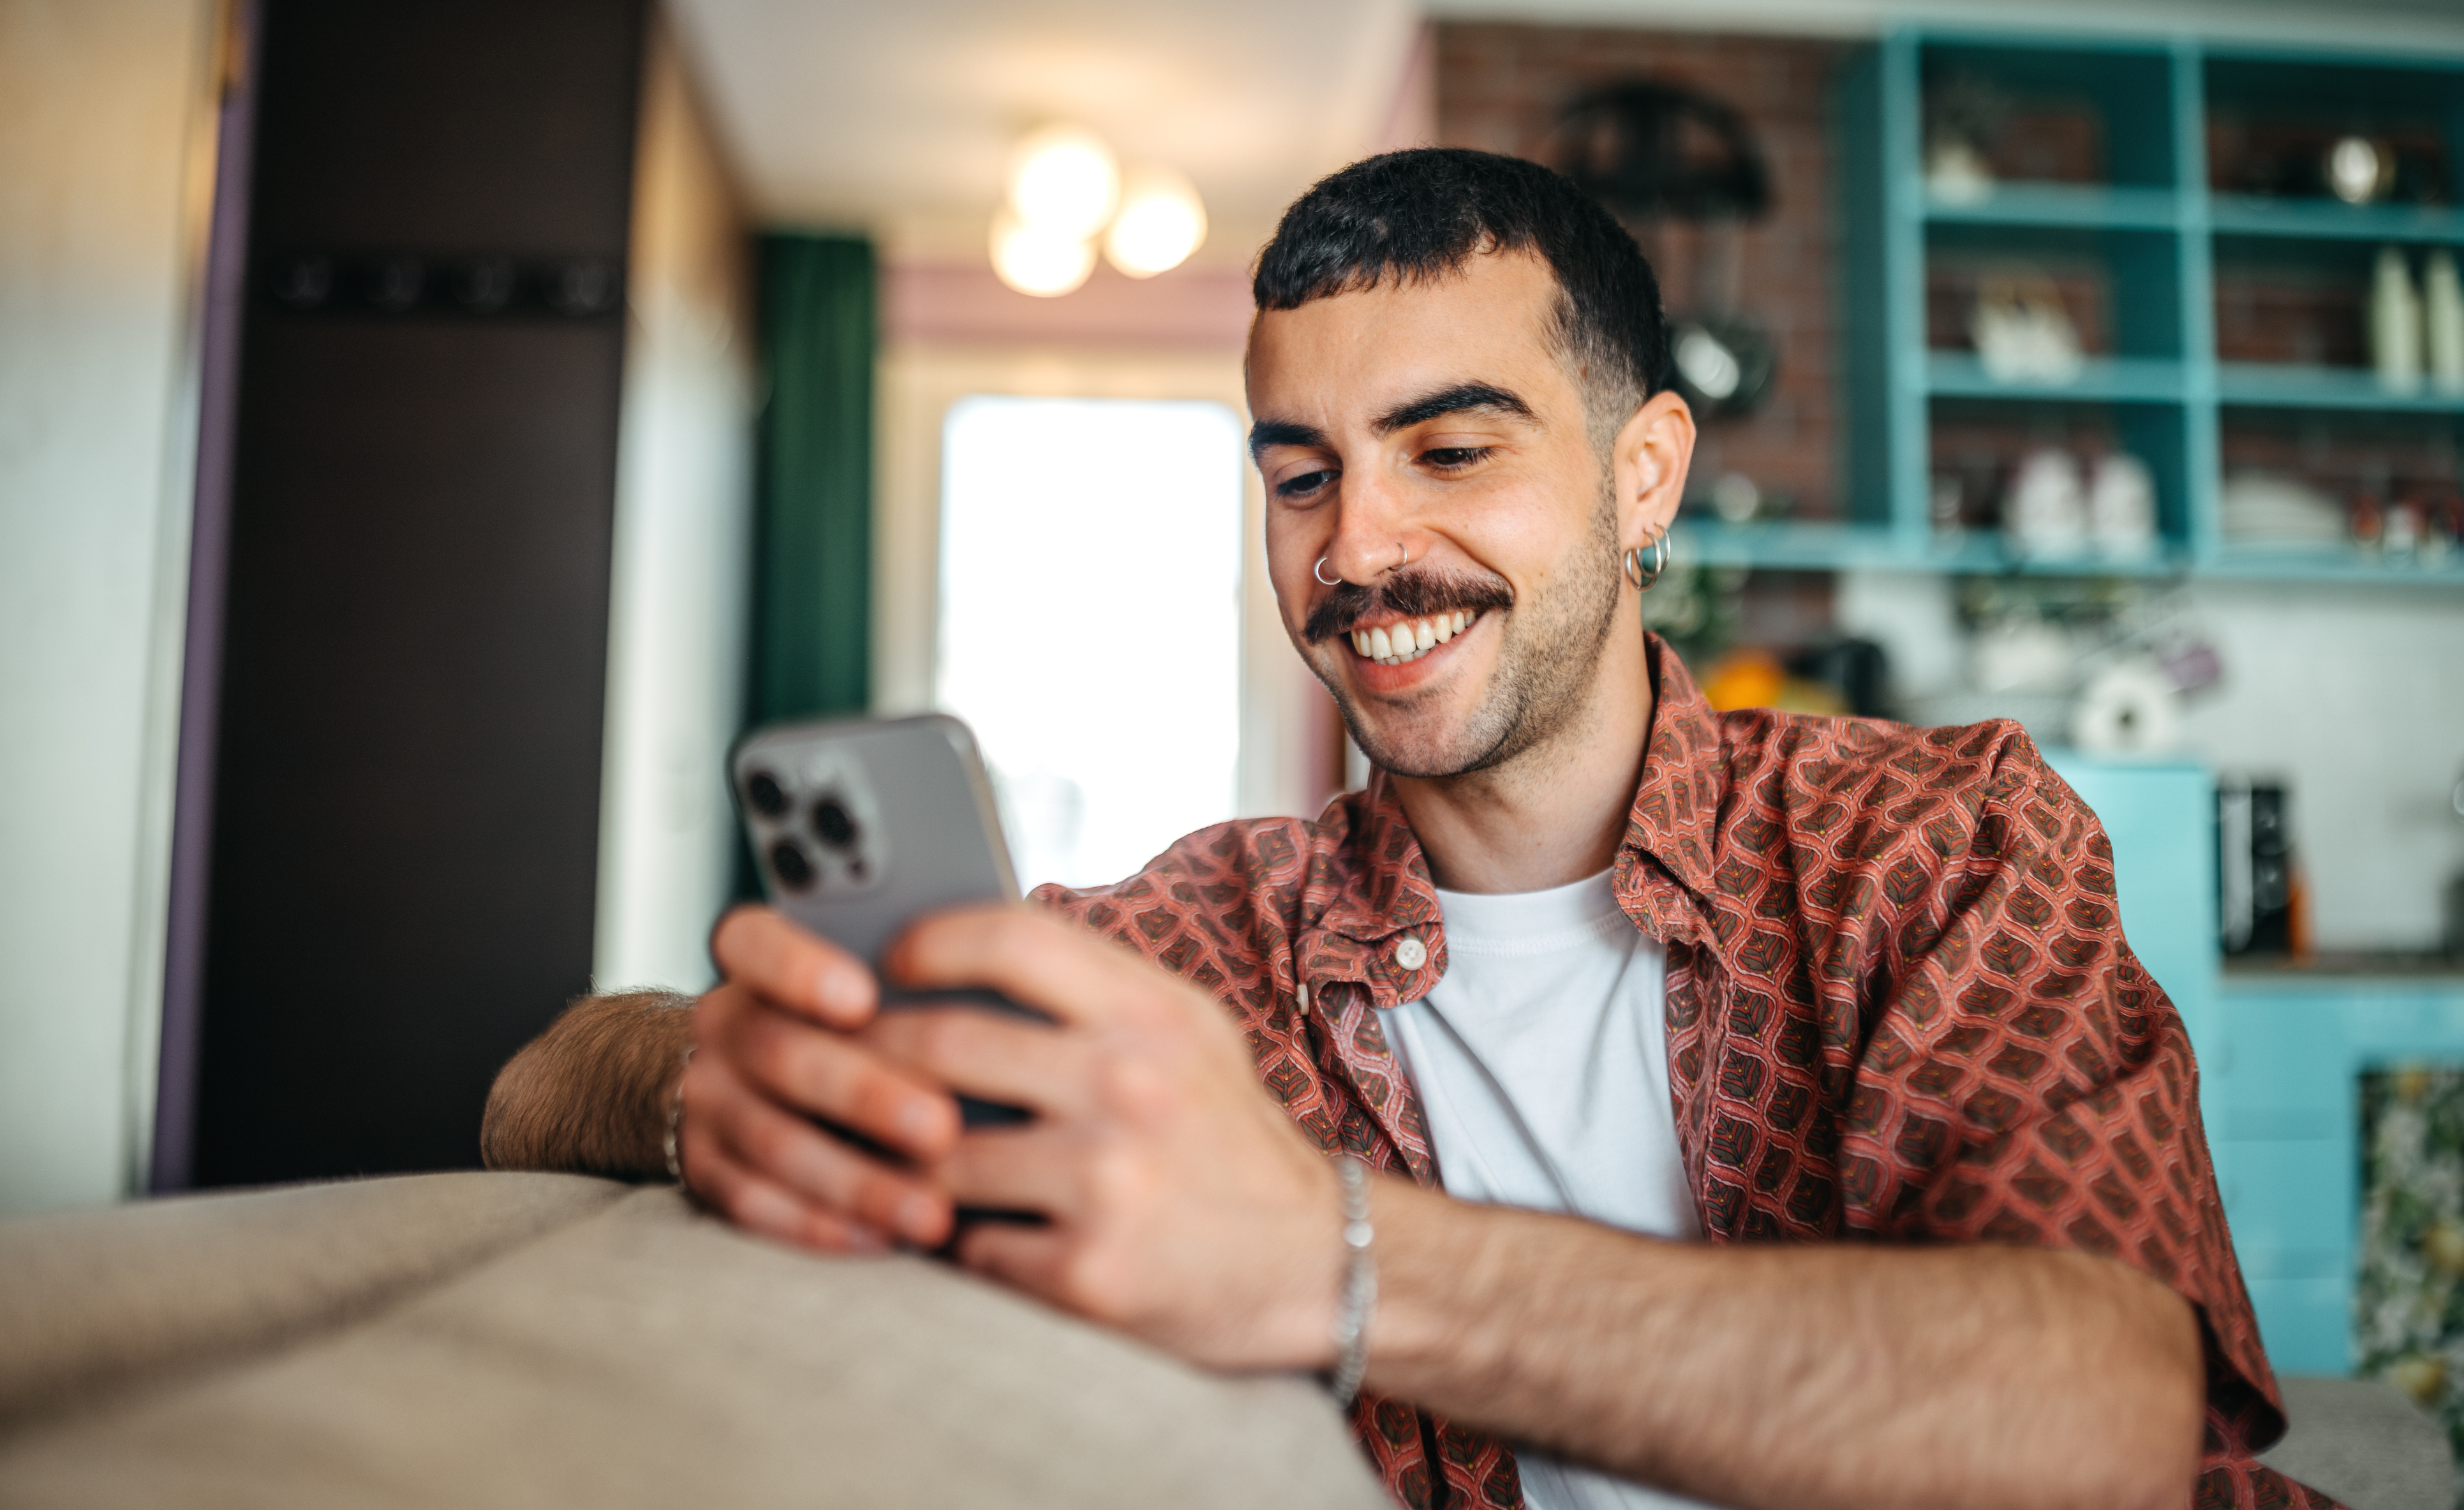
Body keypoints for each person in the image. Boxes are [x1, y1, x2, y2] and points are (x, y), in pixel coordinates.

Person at [483, 149, 2319, 1510]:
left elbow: (2095, 1415)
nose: (1355, 547)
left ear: (1644, 474)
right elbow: (535, 1084)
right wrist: (698, 1079)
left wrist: (1331, 1259)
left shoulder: (1934, 841)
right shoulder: (1190, 954)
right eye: (1300, 476)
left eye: (1451, 452)